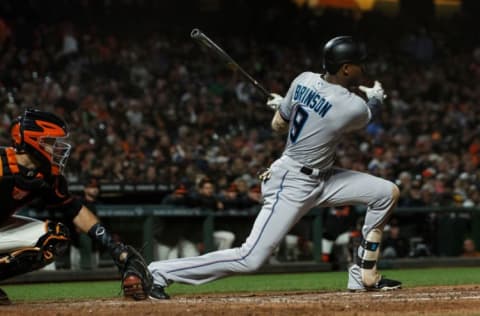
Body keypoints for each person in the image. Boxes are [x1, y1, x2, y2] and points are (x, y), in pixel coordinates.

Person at [147, 36, 401, 299]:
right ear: (346, 68)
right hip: (292, 181)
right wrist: (376, 97)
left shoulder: (303, 79)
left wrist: (282, 106)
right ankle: (159, 272)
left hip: (323, 178)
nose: (364, 69)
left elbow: (279, 125)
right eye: (359, 64)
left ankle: (363, 272)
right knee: (250, 258)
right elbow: (368, 111)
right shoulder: (352, 105)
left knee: (385, 193)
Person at [0, 108, 152, 304]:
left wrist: (114, 247)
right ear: (34, 140)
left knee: (54, 237)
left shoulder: (47, 176)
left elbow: (75, 210)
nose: (58, 148)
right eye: (52, 142)